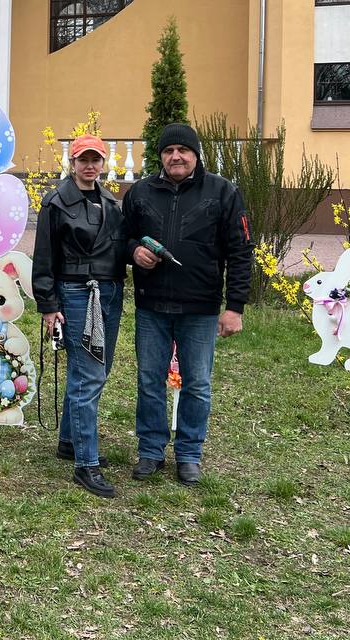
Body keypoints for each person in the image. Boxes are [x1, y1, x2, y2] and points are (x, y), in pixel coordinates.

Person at [122, 122, 253, 485]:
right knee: (149, 381)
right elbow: (122, 237)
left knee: (196, 383)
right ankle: (151, 450)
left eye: (183, 150)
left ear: (196, 154)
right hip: (152, 306)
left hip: (200, 307)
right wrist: (134, 251)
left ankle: (189, 454)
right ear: (160, 156)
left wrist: (235, 307)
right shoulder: (140, 192)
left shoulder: (223, 192)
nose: (176, 156)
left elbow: (240, 252)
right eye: (168, 151)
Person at [33, 135, 126, 499]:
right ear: (72, 163)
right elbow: (44, 257)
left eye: (96, 159)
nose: (90, 165)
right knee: (89, 376)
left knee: (94, 370)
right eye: (83, 159)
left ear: (103, 163)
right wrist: (48, 304)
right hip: (75, 293)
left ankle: (69, 441)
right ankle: (86, 464)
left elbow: (120, 248)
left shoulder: (110, 202)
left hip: (110, 292)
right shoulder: (56, 202)